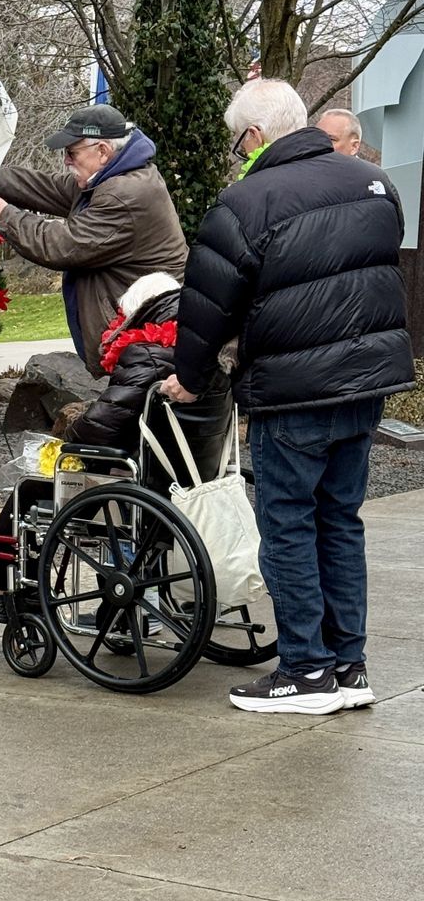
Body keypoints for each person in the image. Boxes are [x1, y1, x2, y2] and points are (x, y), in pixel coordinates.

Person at [162, 78, 414, 715]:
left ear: (252, 137)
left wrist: (188, 376)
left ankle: (303, 670)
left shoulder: (247, 201)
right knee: (339, 521)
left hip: (293, 390)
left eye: (234, 141)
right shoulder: (373, 186)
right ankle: (348, 663)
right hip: (367, 384)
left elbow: (208, 304)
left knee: (288, 526)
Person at [0, 271, 232, 625]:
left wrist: (66, 439)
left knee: (28, 490)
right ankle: (118, 615)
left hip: (142, 491)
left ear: (140, 313)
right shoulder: (203, 356)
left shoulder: (149, 354)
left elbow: (100, 428)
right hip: (189, 480)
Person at [0, 104, 187, 377]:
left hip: (143, 341)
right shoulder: (111, 177)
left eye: (72, 153)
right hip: (140, 339)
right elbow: (46, 187)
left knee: (127, 416)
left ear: (102, 151)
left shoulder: (123, 193)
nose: (66, 161)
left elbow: (60, 245)